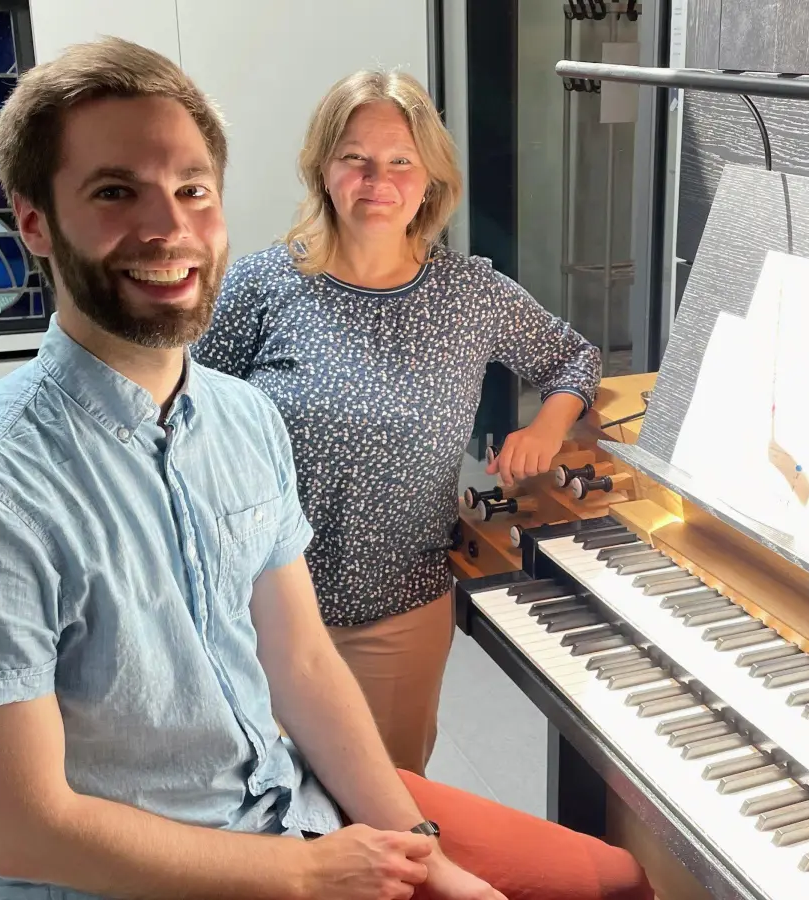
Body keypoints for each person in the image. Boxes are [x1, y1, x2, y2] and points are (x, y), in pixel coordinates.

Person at [0, 37, 650, 900]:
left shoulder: (242, 420)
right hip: (154, 873)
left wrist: (421, 854)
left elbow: (302, 663)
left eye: (192, 190)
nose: (168, 228)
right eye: (115, 191)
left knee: (611, 879)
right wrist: (307, 872)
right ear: (33, 221)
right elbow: (23, 831)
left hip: (295, 787)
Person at [191, 70, 601, 775]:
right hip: (260, 613)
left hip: (400, 613)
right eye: (355, 157)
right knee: (267, 811)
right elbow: (182, 407)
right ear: (324, 167)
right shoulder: (265, 285)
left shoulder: (471, 293)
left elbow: (574, 358)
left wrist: (546, 429)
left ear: (430, 177)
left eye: (400, 160)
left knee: (390, 812)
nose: (376, 179)